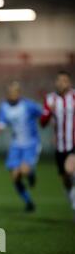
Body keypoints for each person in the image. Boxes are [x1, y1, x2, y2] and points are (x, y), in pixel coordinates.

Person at [0, 81, 42, 212]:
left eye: (14, 92)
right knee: (15, 177)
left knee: (25, 171)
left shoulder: (28, 105)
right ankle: (29, 203)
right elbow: (1, 121)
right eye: (9, 92)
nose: (11, 94)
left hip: (30, 143)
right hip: (16, 145)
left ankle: (31, 175)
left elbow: (43, 114)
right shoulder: (4, 106)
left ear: (19, 93)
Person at [40, 70, 75, 216]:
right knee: (65, 180)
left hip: (73, 144)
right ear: (56, 82)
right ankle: (72, 202)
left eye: (65, 80)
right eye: (59, 80)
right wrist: (49, 113)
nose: (61, 83)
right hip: (60, 146)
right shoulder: (50, 99)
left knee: (70, 170)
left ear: (69, 83)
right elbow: (42, 123)